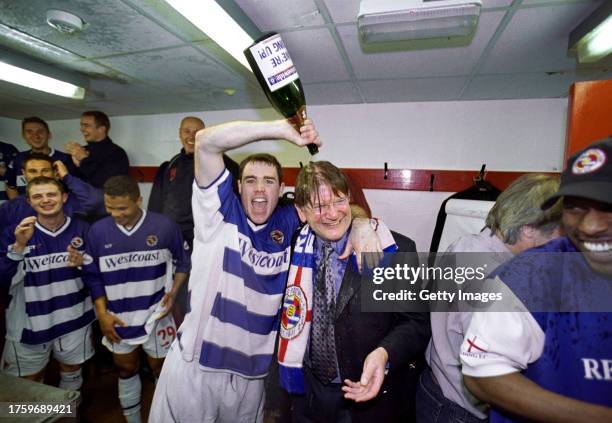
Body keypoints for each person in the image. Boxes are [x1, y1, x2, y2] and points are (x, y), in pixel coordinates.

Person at [150, 118, 379, 422]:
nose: (259, 189)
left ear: (281, 188)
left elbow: (334, 209)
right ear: (237, 186)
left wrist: (362, 223)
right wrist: (282, 130)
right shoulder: (218, 214)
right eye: (250, 180)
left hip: (252, 376)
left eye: (269, 181)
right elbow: (205, 141)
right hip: (198, 366)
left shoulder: (288, 222)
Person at [460, 138, 612, 422]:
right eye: (575, 208)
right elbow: (480, 371)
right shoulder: (519, 273)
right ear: (528, 229)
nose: (590, 227)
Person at [279, 160, 430, 422]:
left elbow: (416, 323)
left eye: (338, 201)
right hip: (309, 394)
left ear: (349, 198)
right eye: (318, 206)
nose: (332, 214)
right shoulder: (293, 246)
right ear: (301, 211)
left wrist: (384, 353)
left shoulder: (391, 249)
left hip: (369, 399)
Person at [417, 174, 562, 423]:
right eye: (559, 235)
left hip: (441, 390)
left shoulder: (470, 244)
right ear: (527, 229)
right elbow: (490, 370)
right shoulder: (490, 275)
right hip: (461, 411)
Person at [83, 175, 190, 423]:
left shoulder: (165, 226)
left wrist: (173, 294)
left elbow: (183, 263)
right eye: (110, 208)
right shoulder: (98, 231)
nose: (116, 214)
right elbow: (93, 276)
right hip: (118, 317)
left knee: (162, 371)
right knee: (125, 368)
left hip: (157, 314)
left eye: (122, 208)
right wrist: (102, 315)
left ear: (138, 200)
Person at [0, 176, 95, 390]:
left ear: (64, 197)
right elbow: (2, 280)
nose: (45, 200)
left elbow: (101, 276)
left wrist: (84, 263)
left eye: (51, 194)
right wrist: (18, 247)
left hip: (75, 319)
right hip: (28, 325)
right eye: (38, 196)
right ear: (29, 202)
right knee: (27, 384)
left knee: (71, 374)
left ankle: (66, 417)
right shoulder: (15, 233)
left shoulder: (83, 230)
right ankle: (41, 415)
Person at [148, 116, 239, 325]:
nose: (191, 136)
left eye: (196, 131)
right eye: (186, 131)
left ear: (205, 134)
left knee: (205, 293)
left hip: (207, 244)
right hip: (174, 244)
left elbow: (236, 205)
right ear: (180, 134)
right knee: (174, 296)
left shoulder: (225, 165)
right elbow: (156, 205)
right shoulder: (169, 166)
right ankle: (179, 338)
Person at [0, 153, 103, 230]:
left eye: (45, 170)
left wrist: (67, 177)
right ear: (24, 173)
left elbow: (98, 201)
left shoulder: (69, 199)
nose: (39, 175)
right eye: (33, 171)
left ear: (55, 173)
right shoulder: (11, 207)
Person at [5, 117, 75, 199]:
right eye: (29, 132)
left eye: (40, 131)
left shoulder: (66, 159)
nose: (35, 136)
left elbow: (76, 190)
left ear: (49, 135)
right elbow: (11, 187)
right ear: (24, 135)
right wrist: (18, 209)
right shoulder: (17, 159)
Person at [65, 110, 129, 189]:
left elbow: (107, 183)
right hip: (81, 199)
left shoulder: (116, 153)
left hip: (106, 200)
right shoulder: (82, 150)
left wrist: (84, 160)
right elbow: (72, 183)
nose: (82, 129)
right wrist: (77, 165)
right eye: (81, 125)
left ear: (101, 129)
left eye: (86, 125)